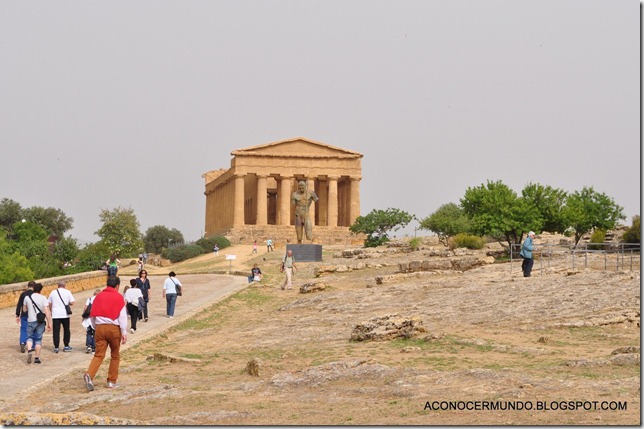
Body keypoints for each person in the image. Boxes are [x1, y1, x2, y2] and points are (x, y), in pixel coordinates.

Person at [83, 276, 128, 391]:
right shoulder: (118, 297)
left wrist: (95, 326)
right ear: (117, 286)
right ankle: (111, 381)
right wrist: (124, 332)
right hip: (113, 328)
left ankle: (90, 374)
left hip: (99, 328)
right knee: (115, 355)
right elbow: (122, 317)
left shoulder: (98, 297)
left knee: (98, 354)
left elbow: (92, 314)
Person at [23, 283, 52, 364]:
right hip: (40, 321)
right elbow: (46, 311)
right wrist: (49, 323)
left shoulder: (27, 297)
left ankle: (29, 350)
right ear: (40, 290)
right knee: (38, 339)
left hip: (30, 320)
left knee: (29, 337)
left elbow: (24, 310)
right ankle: (37, 358)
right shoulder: (43, 298)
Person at [48, 281, 75, 353]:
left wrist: (51, 311)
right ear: (64, 285)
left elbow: (49, 303)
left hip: (56, 314)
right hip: (65, 314)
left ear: (58, 285)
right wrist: (67, 304)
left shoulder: (53, 292)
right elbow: (72, 302)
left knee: (56, 331)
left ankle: (56, 347)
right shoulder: (67, 292)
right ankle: (66, 345)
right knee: (66, 330)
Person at [15, 281, 36, 353]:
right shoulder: (35, 294)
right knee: (33, 330)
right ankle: (32, 345)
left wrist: (17, 314)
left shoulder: (23, 294)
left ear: (28, 286)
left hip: (24, 314)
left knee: (23, 329)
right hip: (33, 315)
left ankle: (23, 342)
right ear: (34, 287)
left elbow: (19, 305)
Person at [82, 289, 101, 353]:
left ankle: (89, 345)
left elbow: (85, 308)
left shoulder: (90, 299)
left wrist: (83, 317)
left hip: (89, 318)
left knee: (89, 332)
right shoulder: (100, 299)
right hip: (96, 319)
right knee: (95, 333)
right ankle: (94, 347)